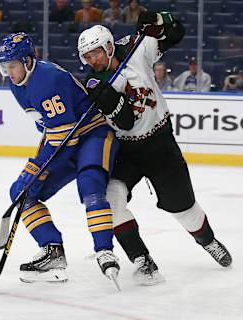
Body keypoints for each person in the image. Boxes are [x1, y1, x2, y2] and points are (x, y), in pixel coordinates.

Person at [77, 12, 232, 284]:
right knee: (111, 199)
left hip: (159, 142)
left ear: (109, 46)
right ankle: (143, 260)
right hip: (125, 149)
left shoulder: (136, 50)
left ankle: (207, 241)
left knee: (183, 208)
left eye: (96, 53)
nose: (93, 60)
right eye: (87, 57)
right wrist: (108, 98)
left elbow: (176, 34)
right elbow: (124, 119)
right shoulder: (96, 84)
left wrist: (161, 22)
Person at [0, 32, 120, 284]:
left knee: (90, 186)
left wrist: (37, 166)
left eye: (12, 65)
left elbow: (66, 136)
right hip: (63, 141)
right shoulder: (16, 84)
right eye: (4, 66)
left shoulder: (47, 79)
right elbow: (51, 130)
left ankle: (105, 251)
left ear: (28, 62)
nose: (8, 72)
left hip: (92, 135)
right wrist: (36, 167)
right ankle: (52, 250)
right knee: (21, 193)